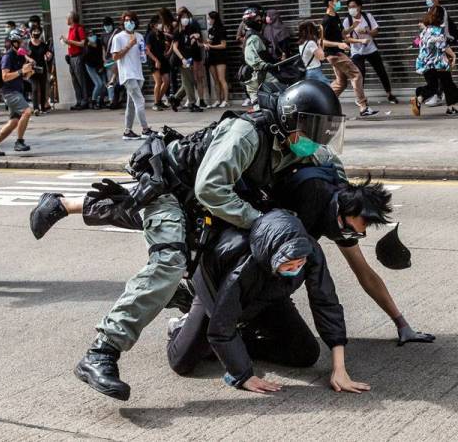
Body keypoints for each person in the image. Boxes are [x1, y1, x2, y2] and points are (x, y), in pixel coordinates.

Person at [29, 80, 349, 401]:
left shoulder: (296, 141)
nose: (317, 139)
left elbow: (329, 163)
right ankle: (102, 352)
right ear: (291, 119)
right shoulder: (246, 134)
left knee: (132, 210)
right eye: (312, 129)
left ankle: (59, 204)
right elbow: (210, 190)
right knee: (169, 259)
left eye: (323, 131)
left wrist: (354, 200)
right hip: (173, 190)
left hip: (200, 199)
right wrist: (263, 223)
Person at [167, 210, 370, 394]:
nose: (296, 269)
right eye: (289, 265)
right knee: (182, 362)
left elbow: (326, 303)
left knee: (305, 353)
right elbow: (220, 327)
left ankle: (240, 338)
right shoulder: (243, 269)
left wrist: (339, 368)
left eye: (300, 264)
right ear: (271, 257)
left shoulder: (311, 252)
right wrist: (243, 375)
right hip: (216, 293)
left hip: (270, 295)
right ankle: (182, 324)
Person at [273, 170, 436, 346]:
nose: (347, 235)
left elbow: (363, 270)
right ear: (345, 210)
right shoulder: (311, 195)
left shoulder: (343, 211)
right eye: (349, 229)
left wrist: (402, 324)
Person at [322, 0, 378, 117]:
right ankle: (363, 106)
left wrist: (352, 26)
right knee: (356, 74)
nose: (339, 3)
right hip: (334, 54)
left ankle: (323, 101)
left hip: (337, 53)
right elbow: (322, 41)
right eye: (337, 0)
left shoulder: (335, 16)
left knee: (341, 83)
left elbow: (342, 34)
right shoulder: (326, 20)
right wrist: (338, 45)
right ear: (330, 3)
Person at [343, 0, 398, 104]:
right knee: (360, 74)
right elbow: (347, 38)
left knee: (381, 71)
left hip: (371, 49)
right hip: (357, 51)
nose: (351, 9)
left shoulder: (367, 16)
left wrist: (366, 32)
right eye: (349, 7)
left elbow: (376, 32)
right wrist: (360, 41)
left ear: (360, 7)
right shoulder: (347, 20)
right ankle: (360, 98)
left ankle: (389, 94)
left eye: (353, 6)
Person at [0, 29, 33, 156]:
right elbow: (5, 76)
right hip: (9, 92)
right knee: (27, 111)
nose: (24, 43)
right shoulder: (7, 57)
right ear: (14, 43)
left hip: (17, 90)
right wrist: (20, 71)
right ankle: (19, 142)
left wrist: (29, 71)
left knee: (14, 122)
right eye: (21, 41)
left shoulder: (20, 56)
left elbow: (24, 77)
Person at [111, 11, 153, 140]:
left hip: (138, 74)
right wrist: (129, 45)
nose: (128, 23)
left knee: (131, 103)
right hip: (127, 74)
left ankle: (127, 131)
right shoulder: (118, 38)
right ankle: (145, 129)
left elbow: (142, 58)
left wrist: (145, 52)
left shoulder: (139, 36)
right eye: (126, 20)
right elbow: (115, 56)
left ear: (135, 22)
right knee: (140, 101)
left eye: (131, 20)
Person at [411, 5, 458, 116]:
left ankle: (419, 98)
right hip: (438, 63)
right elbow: (443, 46)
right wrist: (454, 56)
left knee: (433, 86)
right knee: (448, 84)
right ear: (441, 17)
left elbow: (420, 44)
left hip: (425, 64)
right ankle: (451, 108)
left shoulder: (424, 31)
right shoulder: (438, 31)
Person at [423, 0, 457, 107]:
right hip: (436, 46)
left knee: (444, 76)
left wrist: (425, 28)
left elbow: (440, 31)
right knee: (442, 76)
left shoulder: (440, 10)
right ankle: (442, 97)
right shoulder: (430, 10)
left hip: (443, 44)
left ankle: (440, 97)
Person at [242, 6, 283, 104]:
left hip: (259, 75)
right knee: (278, 96)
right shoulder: (253, 37)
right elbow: (250, 57)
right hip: (260, 76)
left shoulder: (253, 34)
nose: (261, 21)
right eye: (258, 19)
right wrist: (263, 65)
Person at [169, 8, 204, 112]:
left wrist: (195, 37)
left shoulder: (190, 29)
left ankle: (175, 98)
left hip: (188, 58)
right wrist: (182, 59)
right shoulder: (177, 32)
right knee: (189, 81)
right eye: (183, 17)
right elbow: (175, 47)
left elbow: (189, 44)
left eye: (187, 17)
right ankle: (192, 103)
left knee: (189, 81)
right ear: (179, 19)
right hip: (180, 59)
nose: (185, 19)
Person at [61, 12, 89, 111]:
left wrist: (69, 41)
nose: (66, 19)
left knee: (81, 79)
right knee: (75, 80)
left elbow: (82, 43)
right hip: (71, 57)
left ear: (72, 19)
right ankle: (79, 101)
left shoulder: (79, 29)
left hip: (78, 57)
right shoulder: (71, 29)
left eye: (67, 17)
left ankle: (85, 101)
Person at [204, 11, 229, 108]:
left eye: (209, 18)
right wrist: (206, 44)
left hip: (220, 56)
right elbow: (209, 41)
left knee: (221, 78)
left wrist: (211, 46)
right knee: (215, 80)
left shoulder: (222, 29)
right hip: (211, 56)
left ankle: (226, 100)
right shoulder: (210, 30)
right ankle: (218, 99)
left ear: (214, 19)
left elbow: (223, 45)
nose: (208, 20)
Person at [145, 15, 170, 111]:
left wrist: (167, 47)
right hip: (153, 60)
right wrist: (156, 60)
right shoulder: (150, 35)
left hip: (162, 59)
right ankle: (155, 103)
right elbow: (147, 50)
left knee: (166, 81)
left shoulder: (161, 34)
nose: (161, 24)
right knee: (158, 81)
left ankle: (159, 100)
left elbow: (164, 47)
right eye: (158, 23)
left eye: (161, 22)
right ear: (153, 25)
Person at [29, 27, 53, 115]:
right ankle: (36, 108)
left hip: (42, 68)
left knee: (43, 88)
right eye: (34, 31)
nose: (36, 32)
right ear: (31, 33)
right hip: (32, 69)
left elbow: (48, 53)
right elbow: (23, 54)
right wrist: (29, 59)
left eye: (38, 31)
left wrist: (48, 55)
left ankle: (43, 107)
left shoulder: (43, 44)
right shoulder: (28, 44)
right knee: (35, 88)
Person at [100, 16, 121, 108]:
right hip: (109, 60)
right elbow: (103, 47)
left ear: (112, 25)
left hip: (117, 58)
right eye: (105, 25)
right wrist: (104, 57)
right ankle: (111, 100)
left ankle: (119, 99)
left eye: (108, 25)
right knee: (110, 81)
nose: (106, 27)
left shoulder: (117, 33)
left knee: (119, 80)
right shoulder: (103, 35)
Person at [84, 29, 107, 110]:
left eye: (93, 35)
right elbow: (86, 58)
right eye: (89, 35)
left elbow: (101, 56)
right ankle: (93, 102)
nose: (92, 36)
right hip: (90, 66)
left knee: (104, 84)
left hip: (99, 65)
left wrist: (101, 66)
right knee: (98, 84)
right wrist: (89, 47)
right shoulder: (87, 46)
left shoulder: (99, 43)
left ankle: (101, 101)